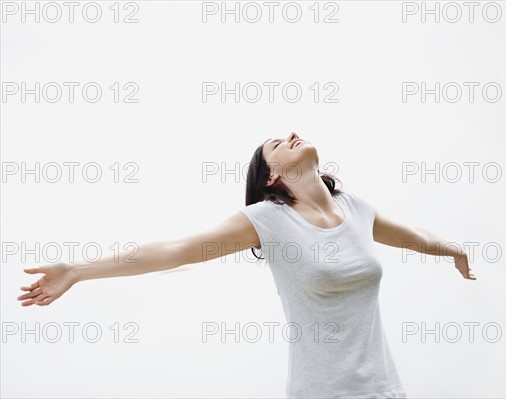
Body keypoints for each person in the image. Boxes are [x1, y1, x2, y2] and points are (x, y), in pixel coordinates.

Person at [18, 132, 476, 398]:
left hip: (383, 389)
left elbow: (416, 238)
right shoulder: (268, 220)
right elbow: (175, 249)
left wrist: (454, 250)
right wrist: (79, 270)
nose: (291, 134)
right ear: (271, 175)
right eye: (277, 143)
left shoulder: (354, 208)